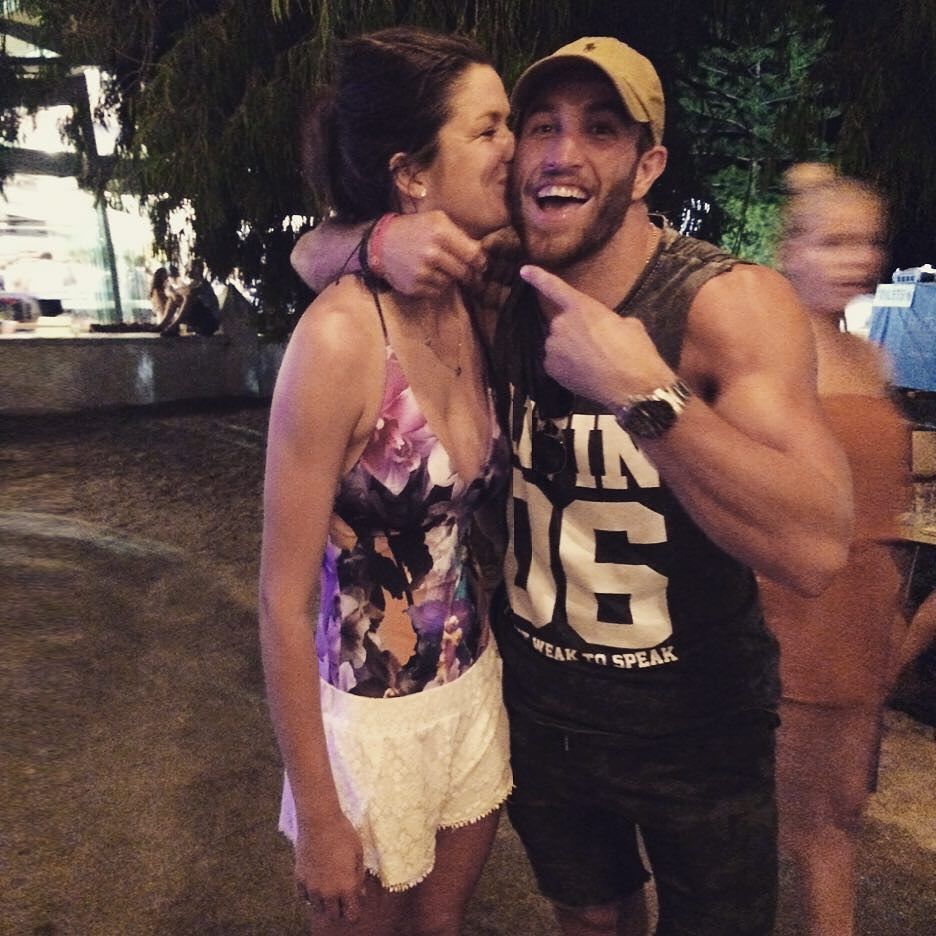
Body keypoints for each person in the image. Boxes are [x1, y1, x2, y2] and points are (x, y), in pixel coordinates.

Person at [293, 37, 854, 936]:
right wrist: (380, 238)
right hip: (543, 717)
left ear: (647, 165)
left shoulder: (725, 302)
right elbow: (309, 252)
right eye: (540, 126)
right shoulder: (497, 280)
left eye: (601, 129)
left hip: (697, 726)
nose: (561, 153)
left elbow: (818, 546)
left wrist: (646, 394)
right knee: (590, 920)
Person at [258, 27, 515, 936]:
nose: (513, 147)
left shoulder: (475, 291)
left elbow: (312, 244)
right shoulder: (339, 340)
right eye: (488, 129)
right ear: (411, 174)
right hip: (367, 728)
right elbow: (280, 601)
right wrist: (320, 815)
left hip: (471, 691)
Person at [759, 163, 912, 935]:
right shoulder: (766, 360)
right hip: (790, 623)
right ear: (791, 250)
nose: (857, 259)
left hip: (864, 625)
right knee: (792, 828)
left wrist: (897, 626)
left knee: (840, 819)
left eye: (867, 241)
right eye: (834, 242)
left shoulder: (872, 360)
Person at [159, 258, 220, 336]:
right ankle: (163, 324)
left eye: (190, 267)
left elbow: (188, 292)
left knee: (189, 298)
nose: (188, 270)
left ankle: (174, 326)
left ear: (198, 269)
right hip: (200, 319)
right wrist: (173, 294)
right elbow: (177, 292)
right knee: (174, 298)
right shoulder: (192, 284)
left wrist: (174, 293)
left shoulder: (203, 285)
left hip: (210, 322)